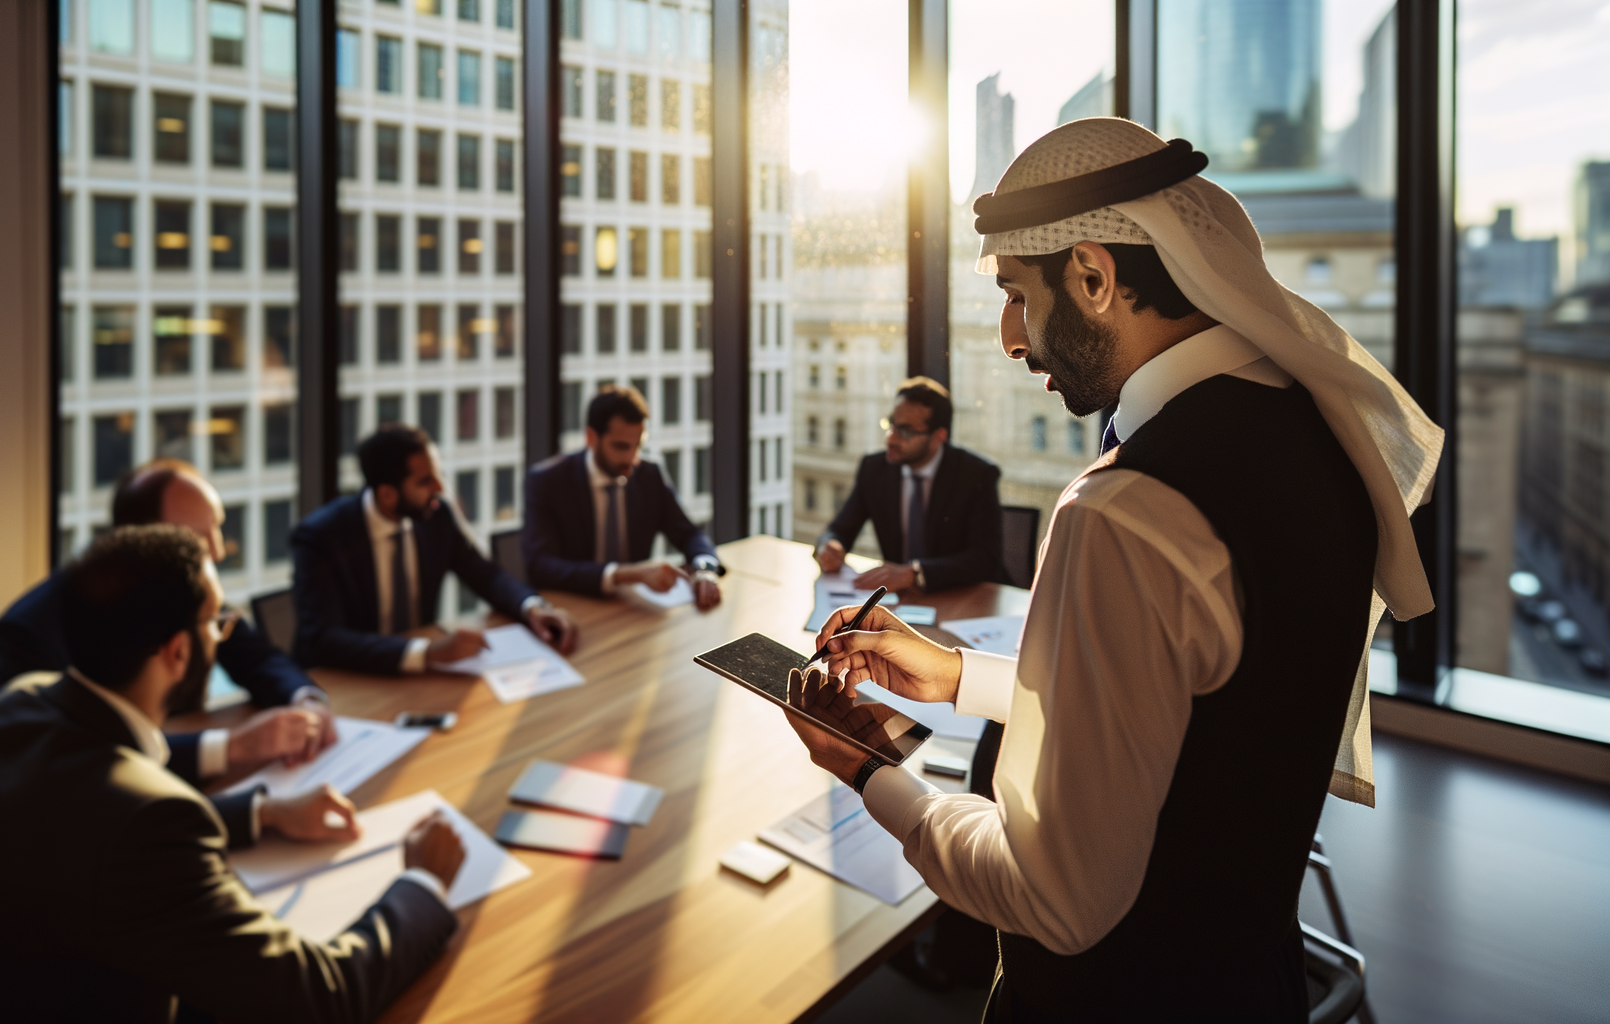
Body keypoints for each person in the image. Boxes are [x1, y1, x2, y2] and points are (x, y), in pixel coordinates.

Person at [783, 118, 1442, 1022]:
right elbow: (1187, 717)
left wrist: (870, 771)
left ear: (1093, 277)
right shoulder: (1309, 434)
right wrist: (961, 677)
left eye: (1018, 294)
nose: (1011, 338)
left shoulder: (1124, 511)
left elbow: (1057, 901)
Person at [0, 526, 465, 1023]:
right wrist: (422, 884)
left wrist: (264, 812)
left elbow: (79, 835)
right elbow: (317, 998)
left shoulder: (14, 705)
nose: (221, 635)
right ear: (175, 653)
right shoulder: (150, 819)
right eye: (215, 621)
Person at [0, 459, 335, 848]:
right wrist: (233, 748)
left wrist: (306, 701)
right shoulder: (26, 633)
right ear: (142, 540)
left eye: (217, 527)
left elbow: (257, 656)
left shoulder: (189, 595)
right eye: (198, 538)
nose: (217, 551)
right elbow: (75, 775)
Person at [292, 425, 577, 675]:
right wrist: (427, 652)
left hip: (420, 678)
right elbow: (324, 639)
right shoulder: (321, 537)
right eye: (425, 481)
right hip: (350, 682)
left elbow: (485, 575)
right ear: (387, 494)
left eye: (436, 475)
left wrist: (532, 608)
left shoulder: (436, 516)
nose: (440, 488)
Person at [522, 384, 722, 610]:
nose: (632, 459)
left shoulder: (649, 474)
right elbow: (540, 567)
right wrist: (623, 574)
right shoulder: (548, 481)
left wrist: (704, 569)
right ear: (591, 437)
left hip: (632, 609)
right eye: (621, 446)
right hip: (573, 610)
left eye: (638, 446)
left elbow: (690, 534)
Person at [814, 377, 1004, 592]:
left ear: (938, 437)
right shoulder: (875, 469)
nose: (891, 439)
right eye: (891, 425)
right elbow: (840, 529)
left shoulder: (976, 474)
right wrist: (829, 545)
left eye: (905, 431)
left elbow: (986, 559)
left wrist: (914, 573)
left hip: (961, 598)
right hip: (899, 600)